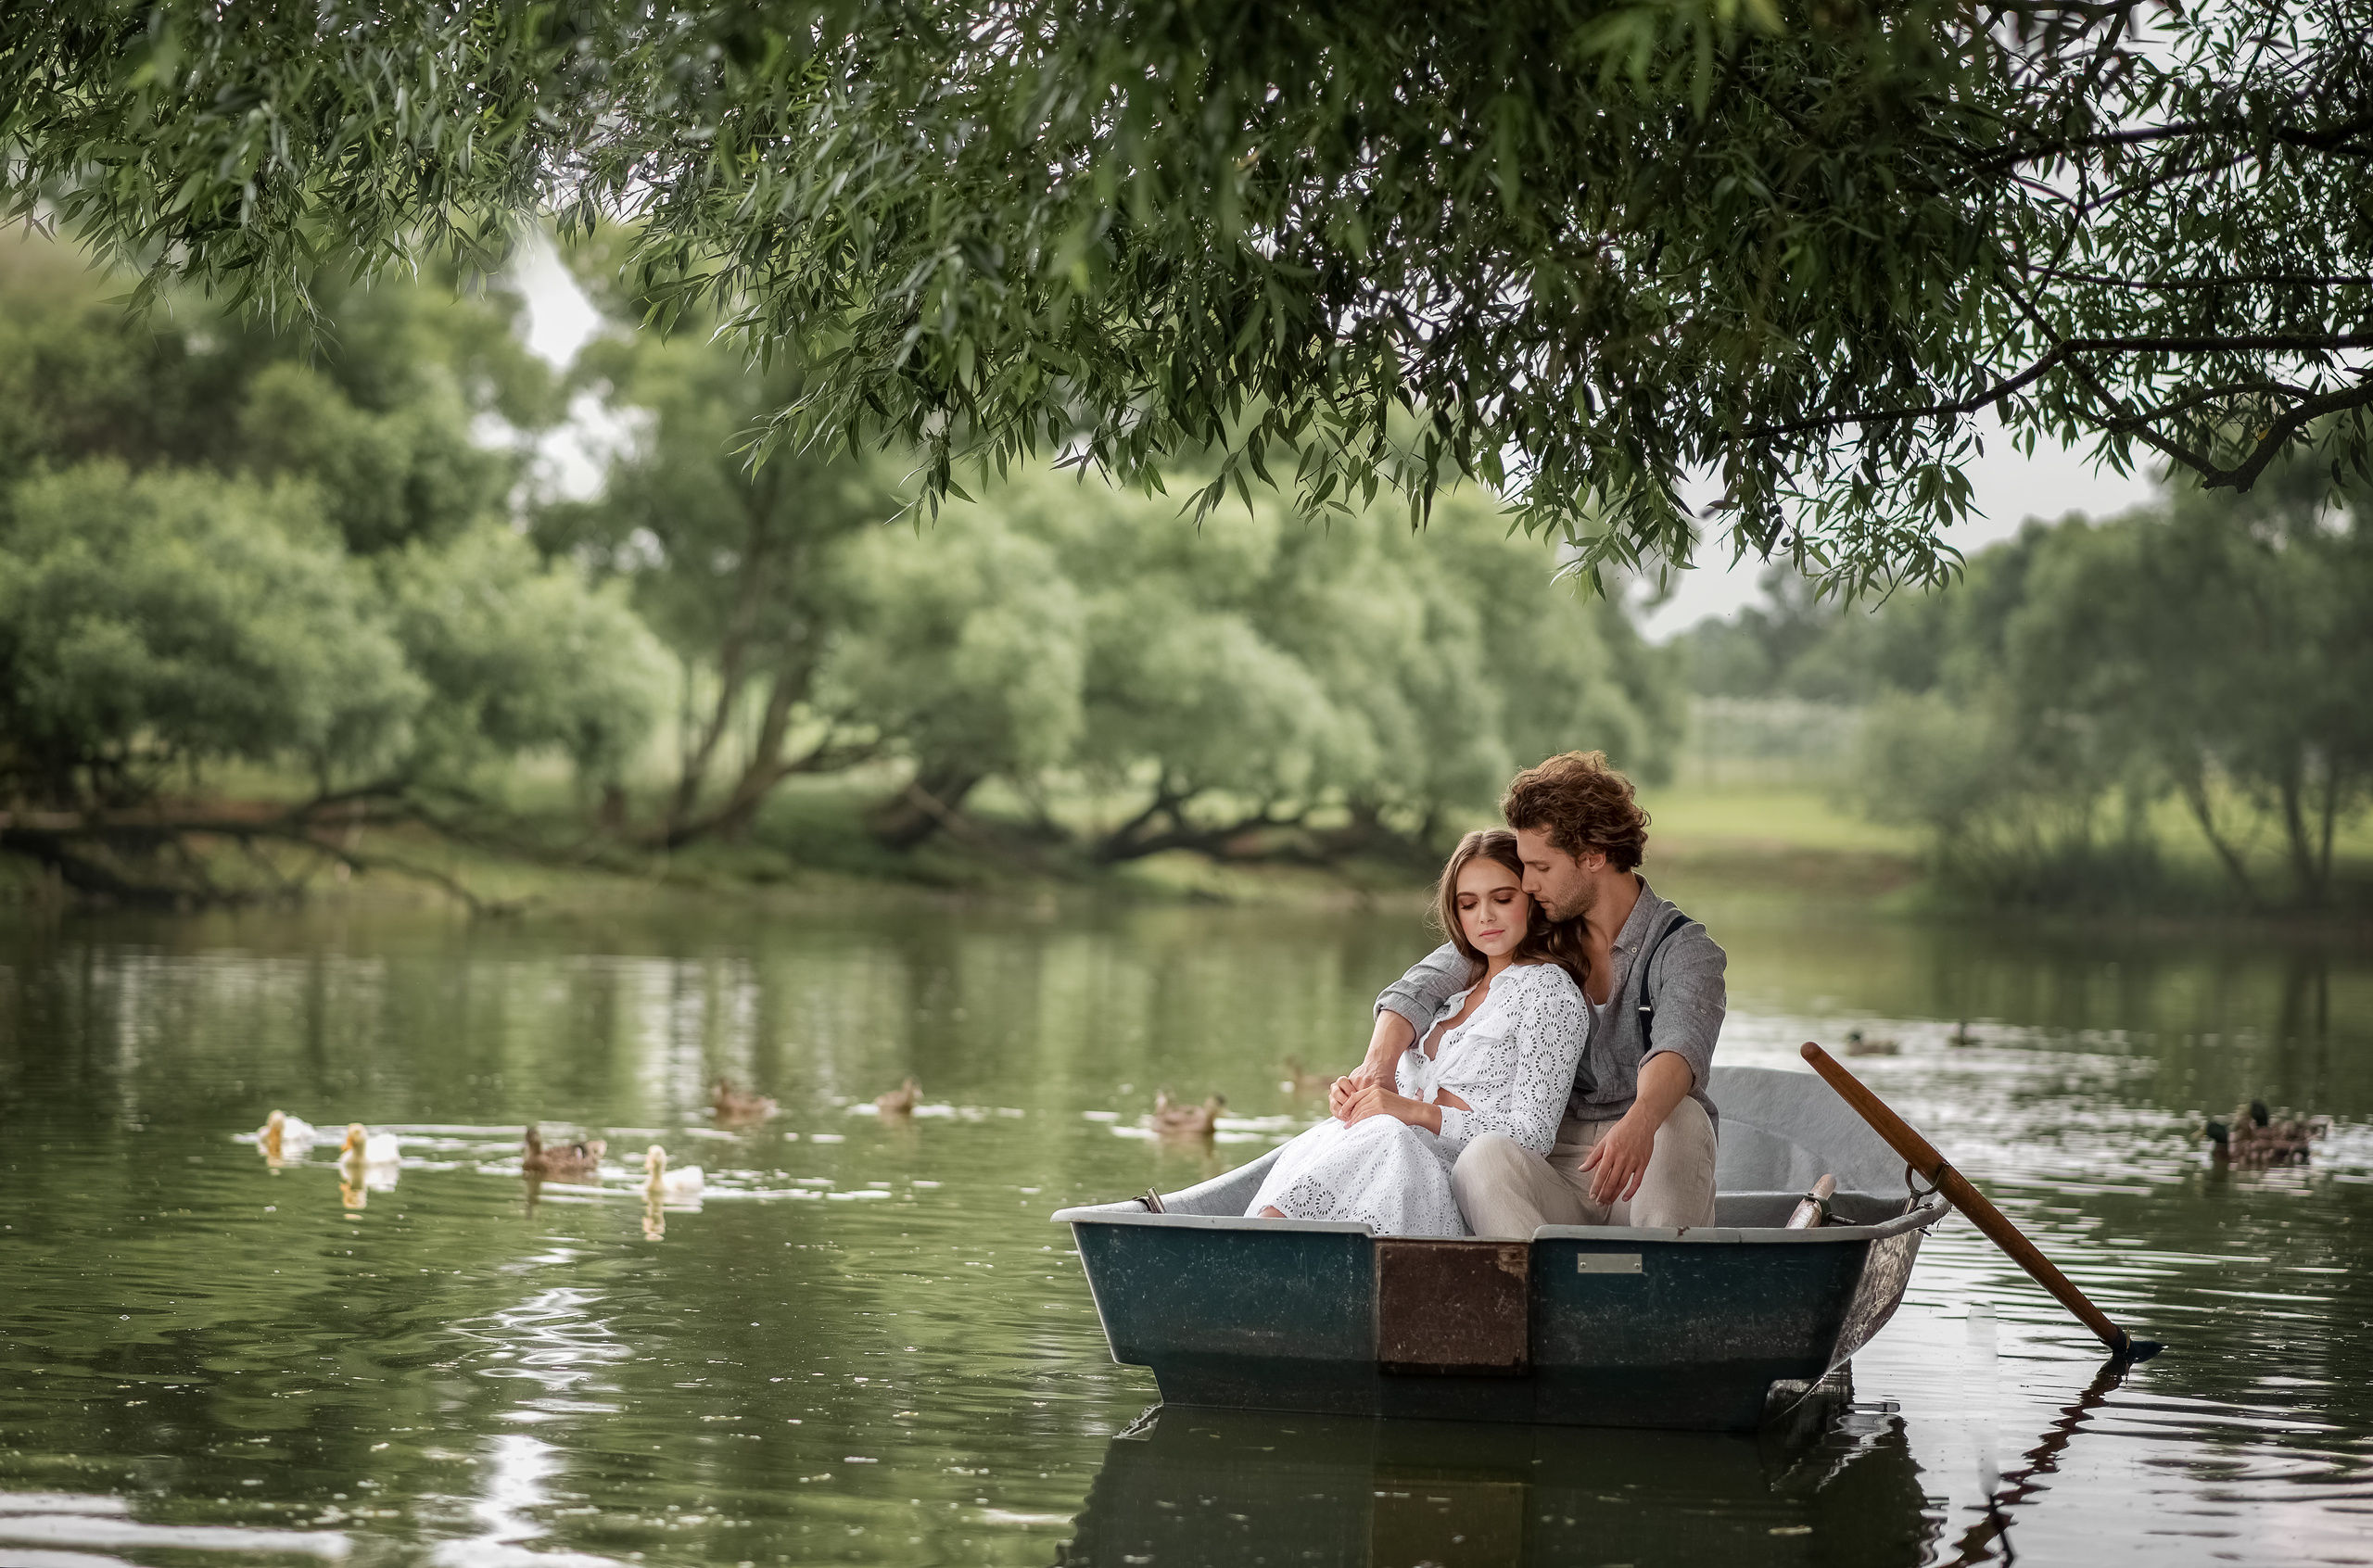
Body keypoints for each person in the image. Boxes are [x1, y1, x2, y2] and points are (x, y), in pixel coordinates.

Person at [1347, 751, 1724, 1233]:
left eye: (1540, 867)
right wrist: (1377, 1067)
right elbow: (1418, 988)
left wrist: (1639, 1121)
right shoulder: (1532, 926)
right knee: (1483, 1157)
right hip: (1554, 1168)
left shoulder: (1686, 950)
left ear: (1593, 856)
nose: (1525, 883)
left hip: (1651, 1158)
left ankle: (1653, 1292)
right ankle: (1535, 1296)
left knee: (1681, 1118)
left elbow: (1679, 1047)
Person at [1244, 829, 1588, 1235]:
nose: (1485, 917)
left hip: (1450, 1180)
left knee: (1386, 1135)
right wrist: (1359, 1098)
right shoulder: (1453, 994)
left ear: (1532, 900)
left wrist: (1413, 1112)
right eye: (1468, 904)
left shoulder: (1549, 993)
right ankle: (1266, 1245)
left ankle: (1259, 1249)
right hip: (1387, 1159)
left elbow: (1532, 1137)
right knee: (1332, 1133)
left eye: (1503, 898)